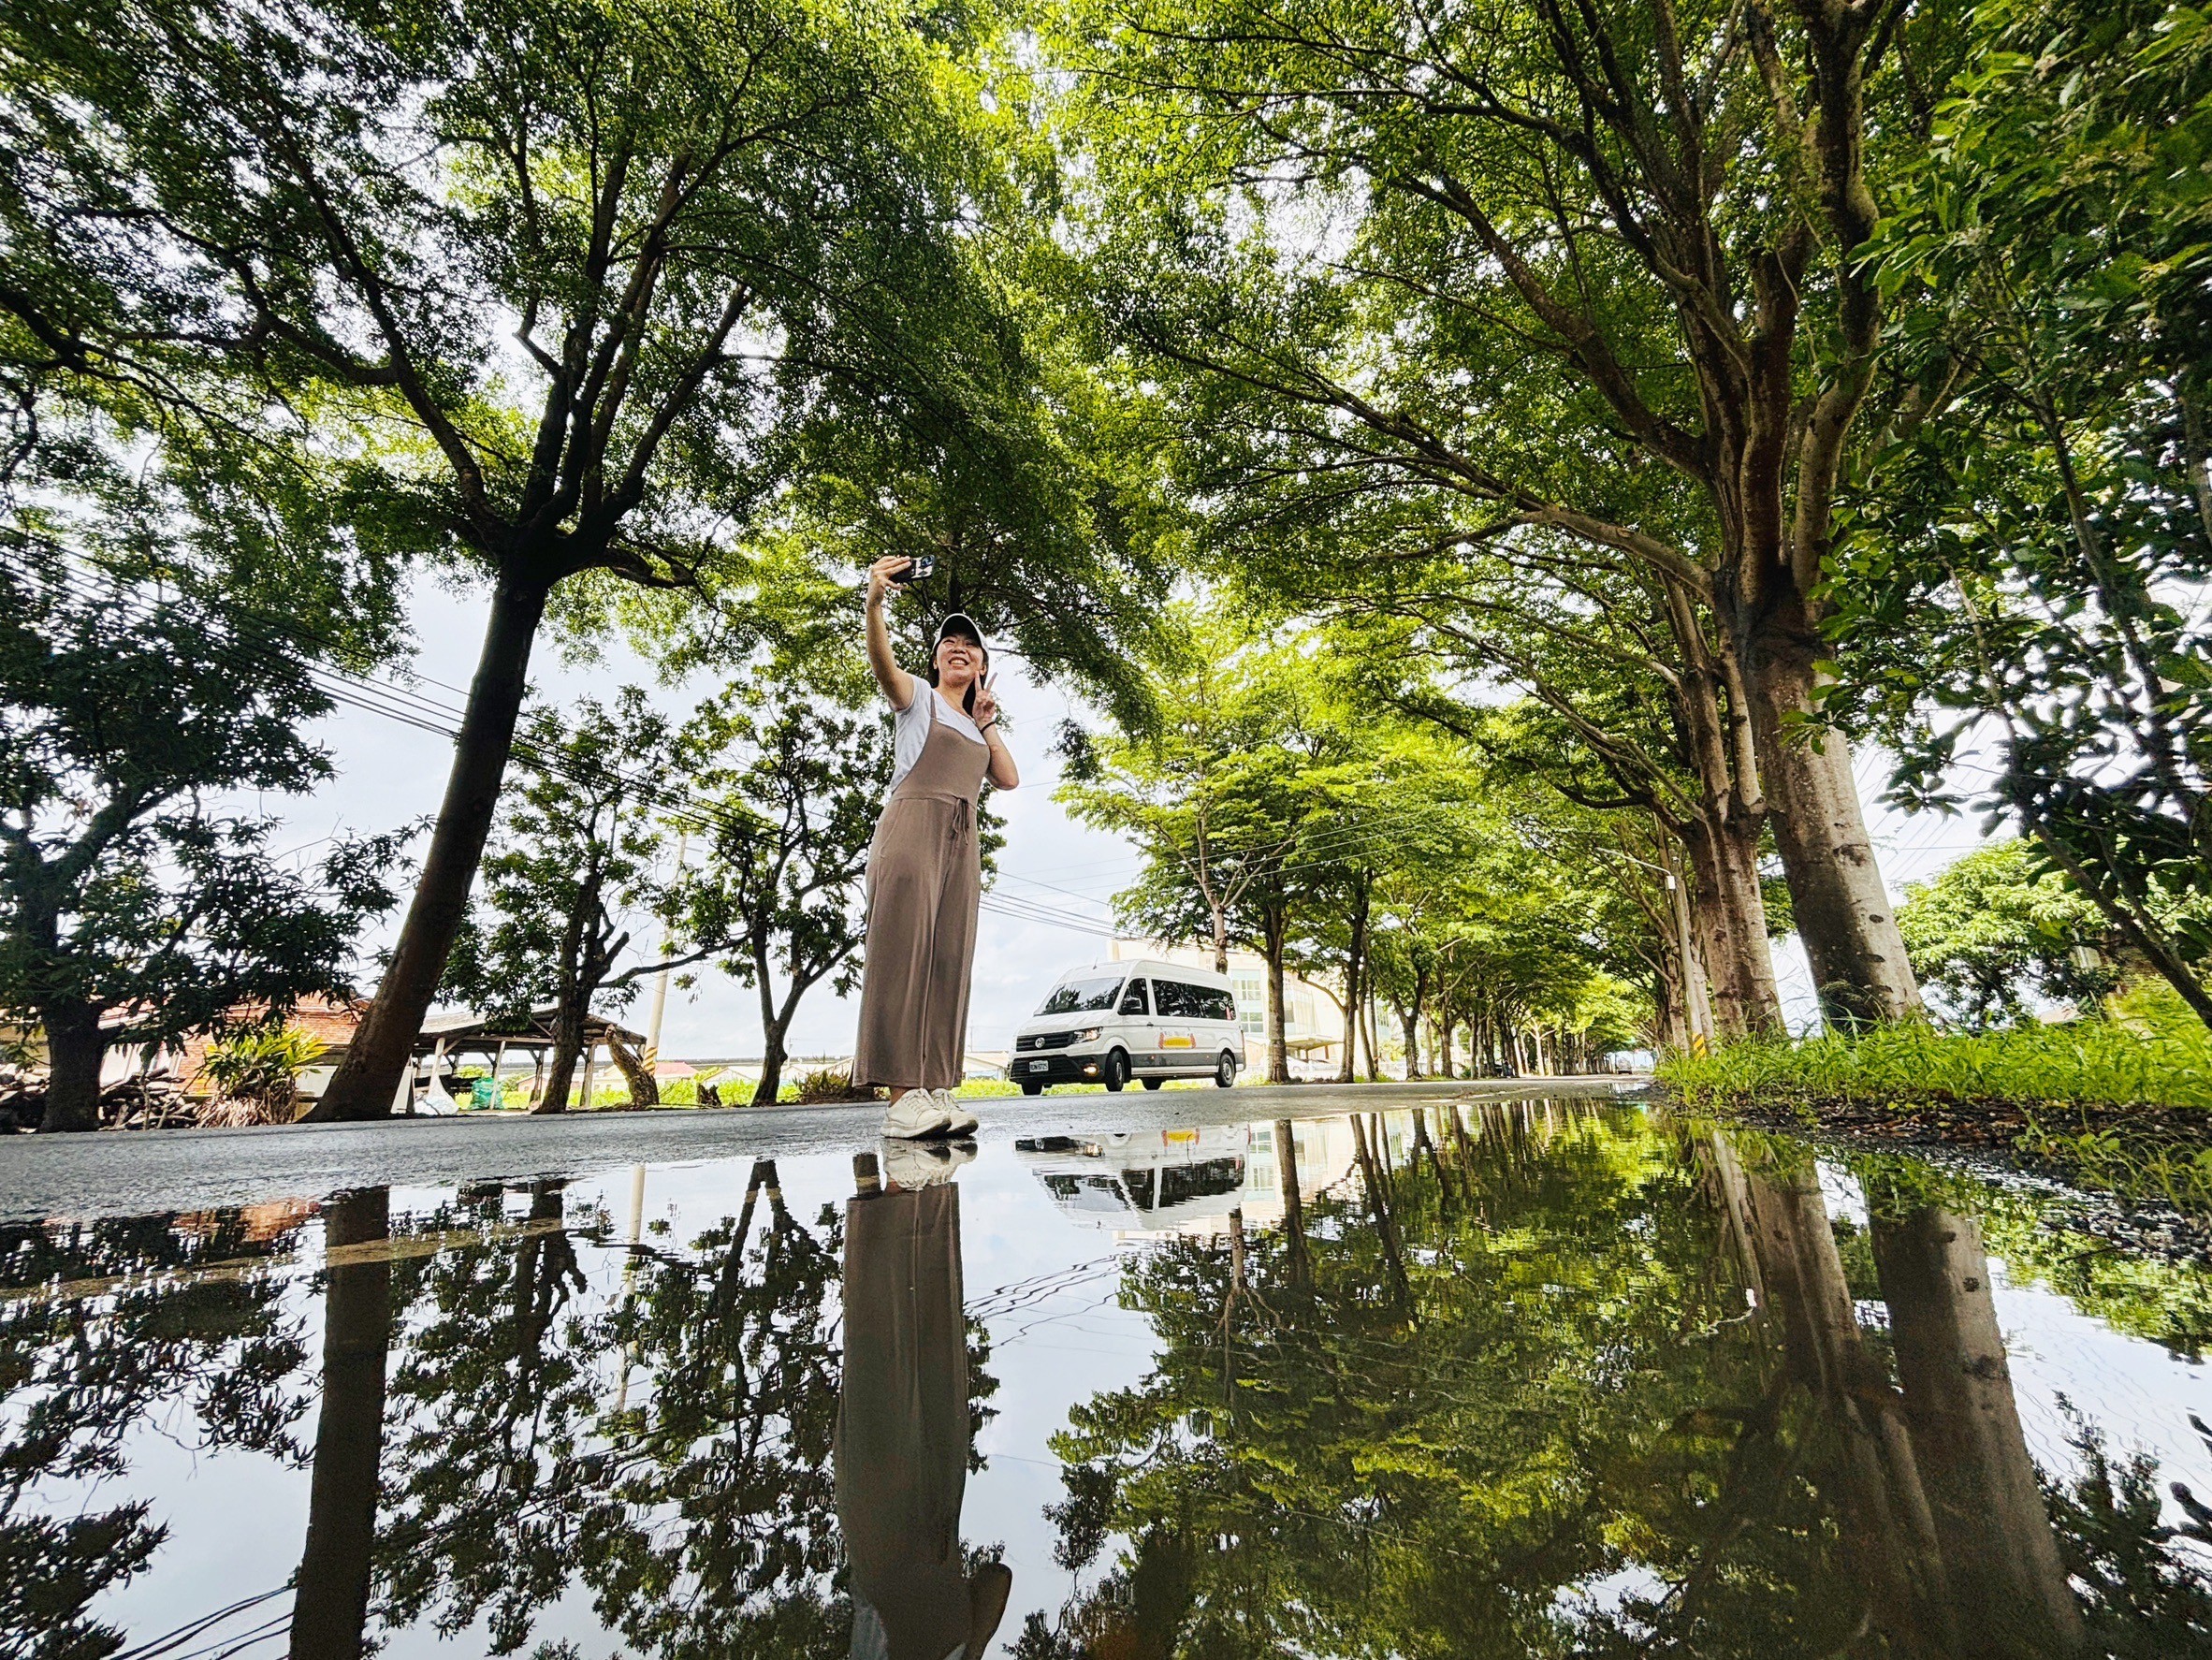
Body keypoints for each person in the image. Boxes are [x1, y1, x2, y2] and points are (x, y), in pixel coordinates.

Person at [852, 555, 1019, 1139]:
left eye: (970, 646)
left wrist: (988, 719)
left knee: (950, 957)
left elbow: (1008, 779)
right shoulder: (917, 697)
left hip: (962, 838)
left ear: (980, 665)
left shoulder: (977, 723)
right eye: (949, 641)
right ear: (935, 657)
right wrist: (875, 600)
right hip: (912, 827)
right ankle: (901, 1097)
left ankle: (936, 1087)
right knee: (903, 952)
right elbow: (882, 663)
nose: (958, 647)